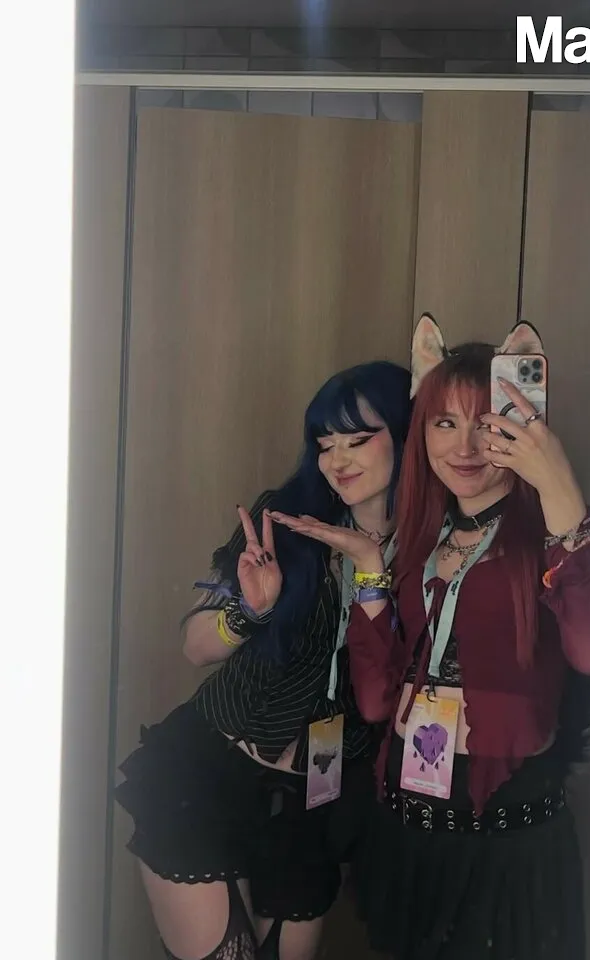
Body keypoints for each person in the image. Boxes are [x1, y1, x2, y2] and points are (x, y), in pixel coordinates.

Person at [273, 315, 590, 960]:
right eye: (444, 422)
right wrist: (371, 572)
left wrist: (557, 483)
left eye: (486, 422)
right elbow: (376, 702)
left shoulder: (557, 532)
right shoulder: (418, 540)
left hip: (510, 839)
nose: (465, 447)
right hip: (410, 826)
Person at [114, 360, 412, 960]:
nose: (337, 459)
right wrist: (248, 611)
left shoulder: (432, 552)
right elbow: (195, 645)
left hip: (314, 802)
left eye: (357, 439)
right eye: (324, 443)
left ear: (406, 436)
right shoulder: (283, 521)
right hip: (209, 773)